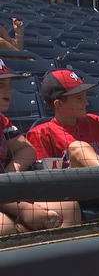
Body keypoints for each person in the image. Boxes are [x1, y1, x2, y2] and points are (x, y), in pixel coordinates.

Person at [0, 60, 80, 233]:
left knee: (68, 208)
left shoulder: (1, 120)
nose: (9, 90)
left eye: (9, 84)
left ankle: (64, 259)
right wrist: (22, 209)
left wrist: (8, 175)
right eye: (1, 85)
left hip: (4, 192)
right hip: (5, 199)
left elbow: (27, 149)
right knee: (4, 228)